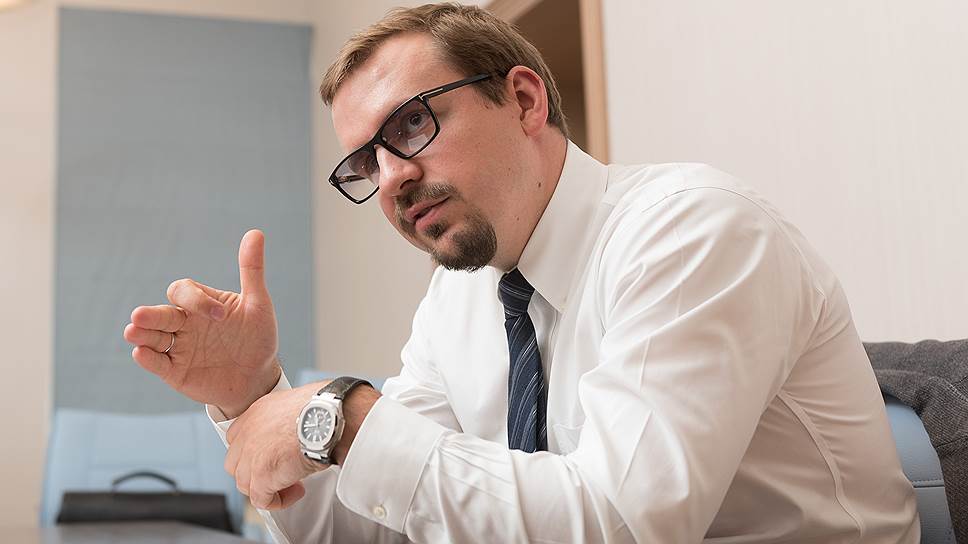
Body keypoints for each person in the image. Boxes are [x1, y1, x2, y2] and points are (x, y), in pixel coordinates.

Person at [123, 3, 920, 542]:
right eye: (367, 161)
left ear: (526, 101)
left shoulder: (693, 230)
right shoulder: (459, 294)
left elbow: (622, 524)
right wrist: (253, 394)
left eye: (412, 124)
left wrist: (348, 415)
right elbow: (377, 524)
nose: (392, 178)